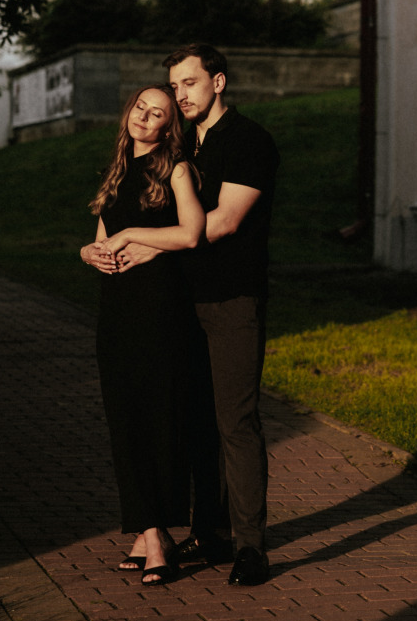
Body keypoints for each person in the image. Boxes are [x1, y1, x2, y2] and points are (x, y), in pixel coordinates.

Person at [118, 44, 280, 586]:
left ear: (219, 82)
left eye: (190, 82)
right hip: (179, 303)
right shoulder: (184, 143)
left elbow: (227, 221)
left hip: (232, 299)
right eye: (175, 84)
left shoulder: (250, 140)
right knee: (194, 422)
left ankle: (251, 546)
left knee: (235, 421)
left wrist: (150, 245)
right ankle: (209, 531)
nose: (180, 93)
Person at [80, 84, 205, 585]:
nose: (145, 117)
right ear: (129, 109)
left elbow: (191, 233)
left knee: (157, 421)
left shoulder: (174, 169)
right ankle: (148, 531)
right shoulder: (117, 171)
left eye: (158, 114)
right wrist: (86, 254)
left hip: (161, 312)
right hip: (116, 314)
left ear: (167, 127)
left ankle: (154, 538)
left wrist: (133, 236)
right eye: (140, 107)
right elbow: (99, 242)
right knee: (124, 423)